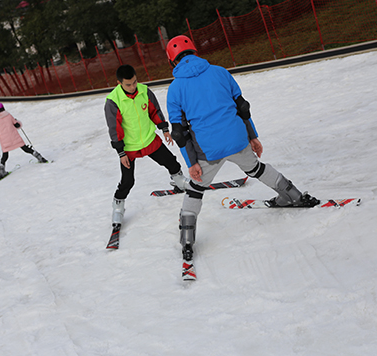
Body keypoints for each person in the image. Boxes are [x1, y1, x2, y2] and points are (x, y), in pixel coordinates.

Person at [165, 35, 320, 261]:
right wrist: (253, 137)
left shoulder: (175, 88)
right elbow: (242, 107)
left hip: (208, 150)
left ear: (173, 61)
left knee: (196, 189)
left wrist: (192, 163)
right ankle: (293, 195)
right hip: (238, 139)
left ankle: (187, 239)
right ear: (195, 52)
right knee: (256, 169)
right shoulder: (220, 72)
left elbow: (179, 132)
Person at [104, 64, 190, 228]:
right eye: (128, 84)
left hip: (150, 140)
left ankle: (178, 181)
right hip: (129, 148)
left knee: (171, 162)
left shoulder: (144, 91)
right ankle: (118, 206)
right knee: (128, 181)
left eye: (134, 82)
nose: (132, 86)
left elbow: (154, 111)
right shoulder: (113, 101)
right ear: (119, 83)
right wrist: (121, 153)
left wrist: (164, 129)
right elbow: (115, 128)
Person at [0, 102, 47, 179]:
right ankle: (39, 157)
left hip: (5, 140)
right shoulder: (8, 115)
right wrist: (17, 124)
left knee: (5, 155)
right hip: (14, 136)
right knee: (25, 149)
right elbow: (16, 124)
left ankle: (2, 171)